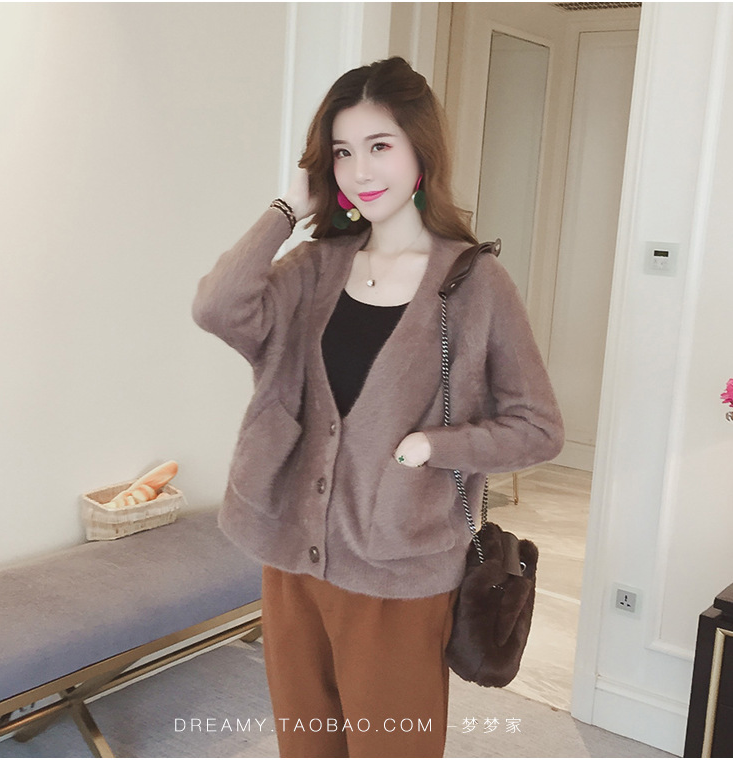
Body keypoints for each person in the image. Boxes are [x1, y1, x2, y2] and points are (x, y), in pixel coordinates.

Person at [193, 57, 564, 758]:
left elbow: (539, 428)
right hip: (293, 560)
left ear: (421, 150)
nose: (359, 170)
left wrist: (437, 446)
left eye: (379, 145)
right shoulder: (314, 267)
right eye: (342, 151)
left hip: (399, 568)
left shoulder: (476, 283)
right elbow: (217, 307)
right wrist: (286, 211)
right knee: (306, 745)